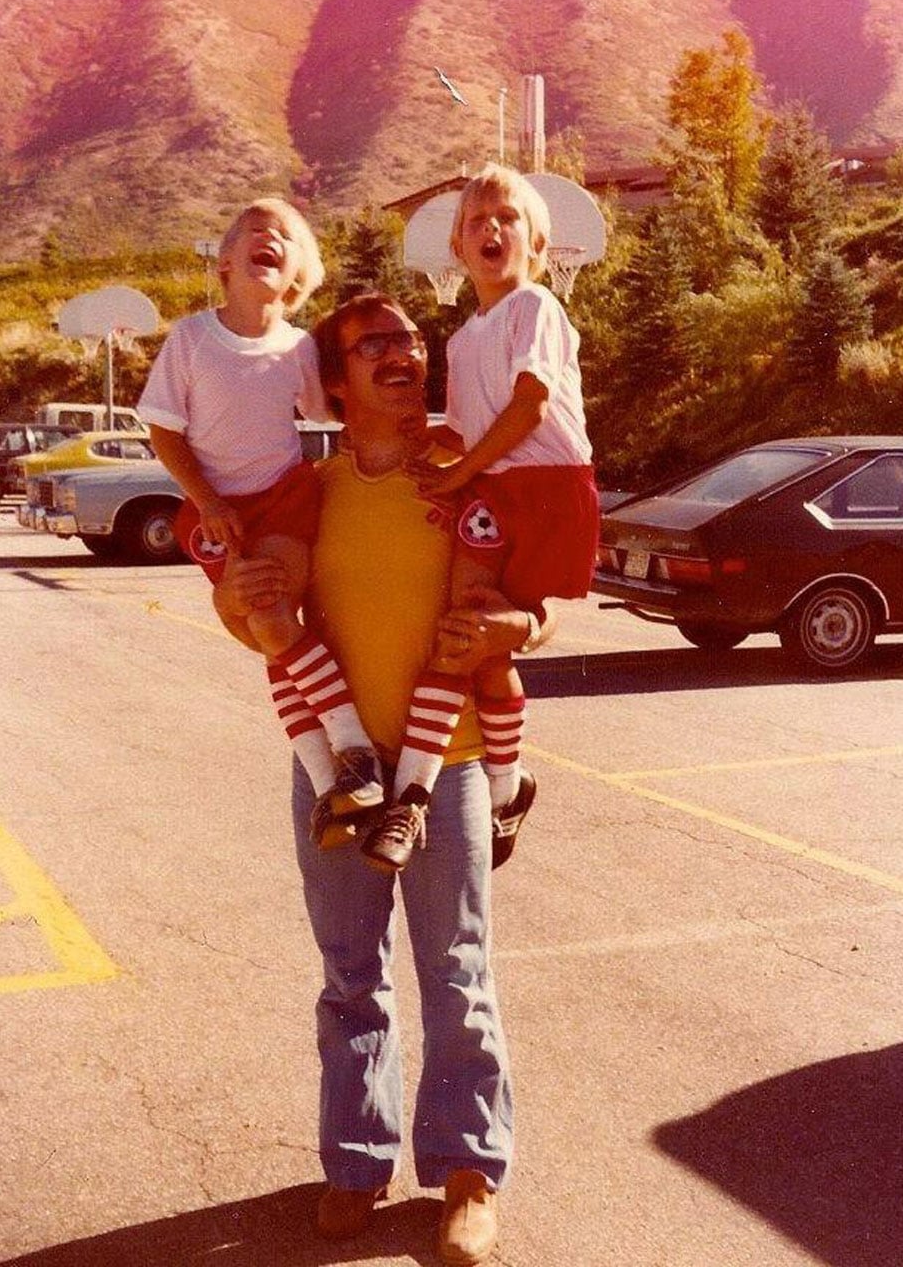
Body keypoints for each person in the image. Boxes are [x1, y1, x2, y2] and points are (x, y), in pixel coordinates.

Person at [216, 292, 554, 1265]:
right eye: (375, 344)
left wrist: (516, 630)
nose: (402, 352)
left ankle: (466, 1172)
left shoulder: (470, 464)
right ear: (333, 381)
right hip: (340, 776)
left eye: (411, 339)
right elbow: (258, 616)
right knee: (349, 977)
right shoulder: (308, 490)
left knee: (457, 973)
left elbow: (545, 598)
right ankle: (357, 1162)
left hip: (443, 768)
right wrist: (241, 603)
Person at [362, 163, 597, 871]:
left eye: (507, 219)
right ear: (457, 250)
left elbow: (527, 408)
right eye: (475, 222)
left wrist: (459, 472)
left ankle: (496, 783)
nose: (491, 229)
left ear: (539, 242)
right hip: (493, 489)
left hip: (551, 488)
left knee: (484, 637)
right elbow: (469, 431)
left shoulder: (537, 310)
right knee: (466, 634)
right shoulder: (463, 341)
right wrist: (419, 441)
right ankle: (469, 789)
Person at [138, 198, 384, 817]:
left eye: (282, 235)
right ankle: (334, 779)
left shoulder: (298, 348)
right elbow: (163, 432)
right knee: (270, 631)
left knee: (274, 619)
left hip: (284, 500)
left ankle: (353, 752)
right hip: (214, 511)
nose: (267, 236)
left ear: (297, 273)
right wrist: (208, 499)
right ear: (224, 262)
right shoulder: (192, 338)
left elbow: (331, 415)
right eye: (253, 230)